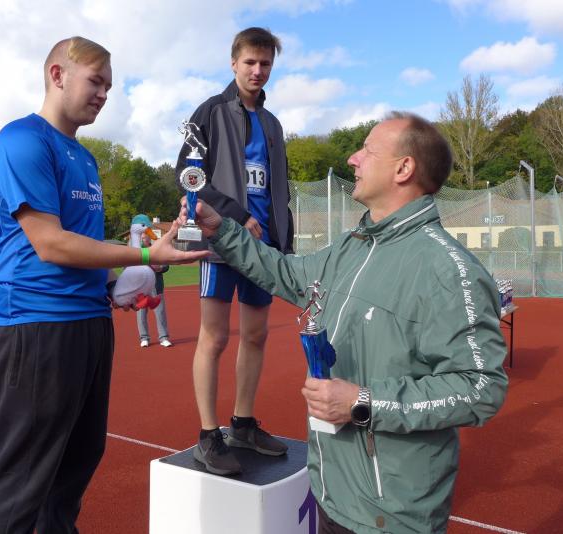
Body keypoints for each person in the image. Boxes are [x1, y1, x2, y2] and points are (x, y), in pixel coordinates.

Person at [178, 112, 509, 533]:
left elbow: (480, 387)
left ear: (403, 169)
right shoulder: (351, 248)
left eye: (367, 150)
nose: (353, 158)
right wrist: (222, 229)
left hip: (390, 514)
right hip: (331, 492)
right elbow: (287, 274)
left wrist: (363, 401)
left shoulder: (448, 269)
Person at [0, 36, 208, 534]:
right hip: (36, 327)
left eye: (109, 87)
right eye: (95, 82)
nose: (104, 95)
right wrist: (145, 255)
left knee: (75, 467)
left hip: (89, 324)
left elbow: (84, 243)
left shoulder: (85, 158)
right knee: (20, 482)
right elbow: (51, 244)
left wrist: (117, 282)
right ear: (57, 75)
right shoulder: (22, 140)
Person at [175, 26, 294, 476]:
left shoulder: (273, 124)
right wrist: (234, 217)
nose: (257, 70)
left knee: (257, 335)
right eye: (250, 62)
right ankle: (209, 435)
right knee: (215, 337)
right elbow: (188, 175)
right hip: (221, 243)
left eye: (265, 63)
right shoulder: (210, 111)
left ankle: (242, 424)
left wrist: (282, 241)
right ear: (233, 63)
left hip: (261, 249)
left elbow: (278, 189)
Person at [130, 214, 173, 348]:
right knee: (141, 312)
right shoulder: (134, 251)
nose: (144, 238)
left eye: (145, 236)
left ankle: (163, 337)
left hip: (156, 285)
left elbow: (166, 265)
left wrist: (160, 268)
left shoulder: (157, 249)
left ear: (149, 237)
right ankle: (144, 337)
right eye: (142, 237)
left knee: (160, 312)